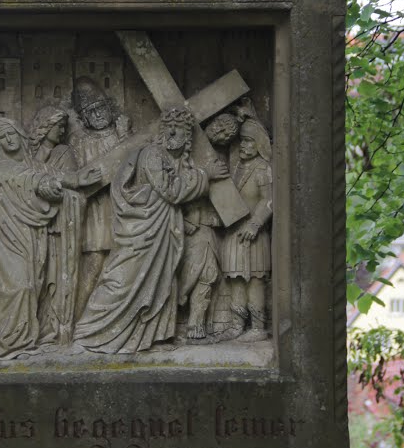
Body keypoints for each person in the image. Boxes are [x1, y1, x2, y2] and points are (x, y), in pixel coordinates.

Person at [77, 106, 227, 354]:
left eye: (178, 132)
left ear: (188, 138)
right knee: (121, 280)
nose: (171, 136)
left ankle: (151, 338)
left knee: (161, 282)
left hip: (163, 232)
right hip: (142, 232)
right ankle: (90, 330)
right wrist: (205, 175)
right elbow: (171, 191)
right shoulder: (152, 155)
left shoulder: (177, 162)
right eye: (168, 130)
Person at [0, 118, 64, 360]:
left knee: (31, 284)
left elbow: (39, 181)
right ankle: (5, 338)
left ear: (19, 134)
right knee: (20, 286)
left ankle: (24, 339)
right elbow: (26, 181)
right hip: (2, 239)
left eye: (10, 134)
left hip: (29, 236)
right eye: (1, 138)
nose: (8, 140)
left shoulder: (30, 165)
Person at [28, 105, 99, 344]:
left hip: (58, 228)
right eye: (58, 126)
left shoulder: (65, 153)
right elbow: (21, 178)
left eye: (64, 127)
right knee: (32, 279)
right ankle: (29, 329)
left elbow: (71, 187)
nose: (61, 131)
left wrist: (67, 186)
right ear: (45, 126)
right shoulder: (26, 154)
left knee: (54, 279)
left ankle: (51, 328)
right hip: (29, 227)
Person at [70, 77, 130, 316]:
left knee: (118, 267)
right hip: (94, 211)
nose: (97, 115)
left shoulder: (121, 134)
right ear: (83, 117)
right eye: (90, 111)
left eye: (101, 107)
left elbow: (132, 168)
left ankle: (109, 321)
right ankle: (77, 318)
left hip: (120, 209)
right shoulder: (79, 142)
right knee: (93, 265)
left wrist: (125, 137)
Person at [178, 111, 239, 341]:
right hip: (182, 228)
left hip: (206, 230)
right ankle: (170, 326)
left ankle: (196, 323)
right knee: (183, 276)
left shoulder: (223, 160)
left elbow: (231, 201)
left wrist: (217, 219)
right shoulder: (186, 153)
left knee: (209, 274)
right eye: (219, 126)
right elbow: (175, 189)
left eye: (227, 134)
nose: (221, 133)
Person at [219, 119, 272, 343]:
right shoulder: (238, 167)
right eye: (242, 141)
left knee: (255, 280)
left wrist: (255, 223)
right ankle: (237, 324)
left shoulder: (262, 168)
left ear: (259, 144)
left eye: (249, 141)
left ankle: (258, 327)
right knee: (236, 280)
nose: (244, 145)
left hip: (253, 235)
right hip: (234, 233)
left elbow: (270, 199)